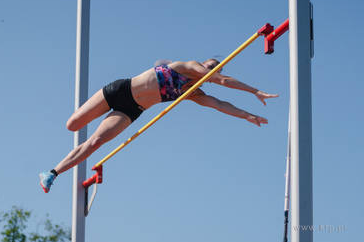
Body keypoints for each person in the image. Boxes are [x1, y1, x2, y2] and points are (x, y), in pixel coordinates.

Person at [40, 59, 279, 193]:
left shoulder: (193, 92)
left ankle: (52, 173)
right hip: (120, 90)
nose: (211, 69)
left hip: (132, 110)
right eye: (210, 65)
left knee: (96, 142)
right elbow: (224, 80)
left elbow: (219, 104)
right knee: (72, 125)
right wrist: (255, 90)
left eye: (215, 67)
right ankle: (54, 168)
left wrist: (247, 115)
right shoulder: (186, 67)